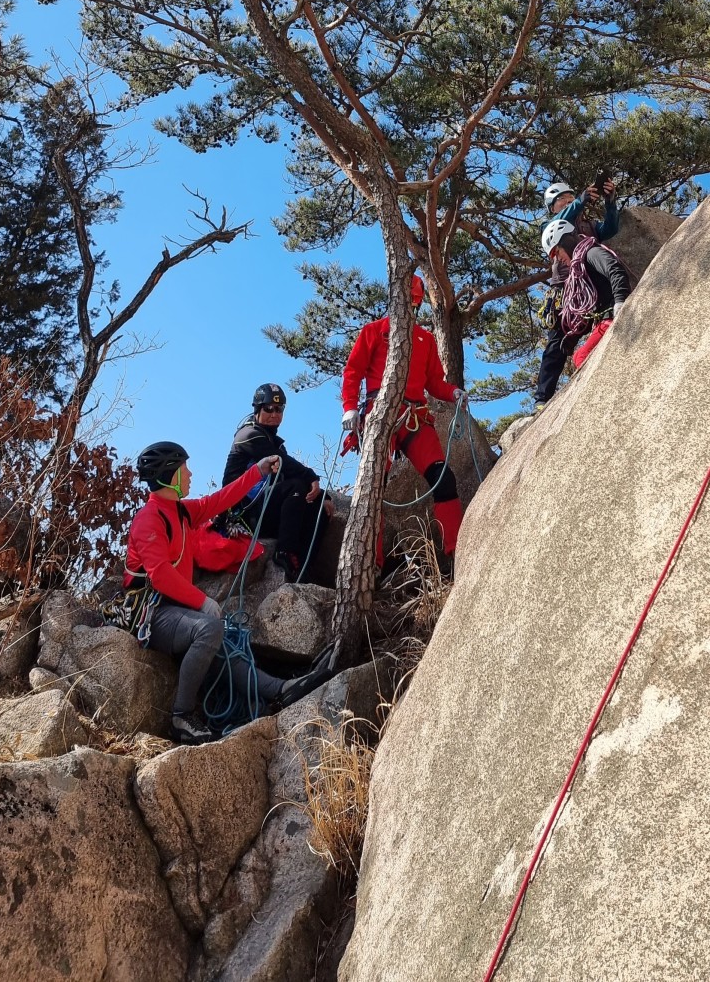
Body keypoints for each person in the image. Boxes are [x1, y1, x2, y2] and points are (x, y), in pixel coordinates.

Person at [126, 441, 330, 745]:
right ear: (170, 475)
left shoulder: (179, 512)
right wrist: (203, 601)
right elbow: (160, 574)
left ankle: (279, 690)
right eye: (185, 468)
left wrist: (258, 472)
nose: (190, 473)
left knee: (220, 637)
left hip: (173, 611)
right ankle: (181, 717)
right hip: (148, 614)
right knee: (209, 628)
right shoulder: (149, 518)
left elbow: (219, 501)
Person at [340, 275, 463, 558]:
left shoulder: (426, 339)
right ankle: (373, 562)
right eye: (404, 301)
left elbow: (434, 383)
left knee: (443, 479)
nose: (408, 307)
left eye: (413, 302)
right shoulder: (374, 331)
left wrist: (453, 392)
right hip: (379, 414)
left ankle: (456, 552)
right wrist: (349, 406)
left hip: (414, 418)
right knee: (373, 488)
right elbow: (353, 372)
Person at [218, 383, 332, 582]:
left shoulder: (275, 442)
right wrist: (311, 476)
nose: (274, 413)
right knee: (296, 486)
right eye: (268, 408)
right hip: (245, 516)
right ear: (257, 409)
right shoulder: (246, 436)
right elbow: (281, 461)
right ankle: (284, 553)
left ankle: (304, 566)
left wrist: (323, 496)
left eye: (279, 409)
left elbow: (287, 471)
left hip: (266, 512)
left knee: (318, 503)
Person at [534, 218, 632, 407]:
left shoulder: (591, 253)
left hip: (611, 316)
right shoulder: (581, 267)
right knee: (578, 355)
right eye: (552, 255)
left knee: (581, 357)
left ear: (566, 241)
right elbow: (586, 309)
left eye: (556, 251)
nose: (557, 258)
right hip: (604, 318)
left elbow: (615, 269)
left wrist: (620, 301)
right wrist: (569, 339)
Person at [543, 176, 620, 243]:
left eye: (570, 197)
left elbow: (611, 230)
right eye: (562, 198)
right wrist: (580, 201)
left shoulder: (591, 224)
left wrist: (610, 203)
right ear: (552, 209)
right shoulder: (546, 227)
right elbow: (555, 223)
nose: (568, 200)